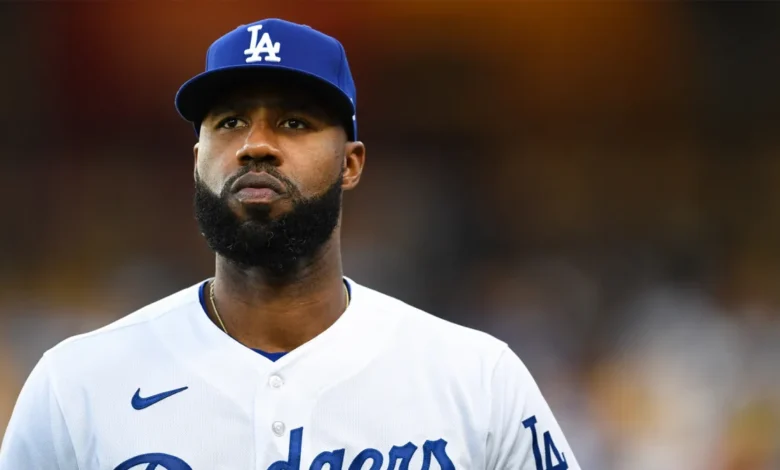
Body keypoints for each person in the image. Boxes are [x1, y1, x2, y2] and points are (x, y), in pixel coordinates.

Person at [0, 18, 580, 470]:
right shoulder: (74, 385)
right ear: (197, 159)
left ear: (351, 164)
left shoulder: (476, 380)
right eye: (229, 122)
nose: (255, 145)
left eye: (294, 123)